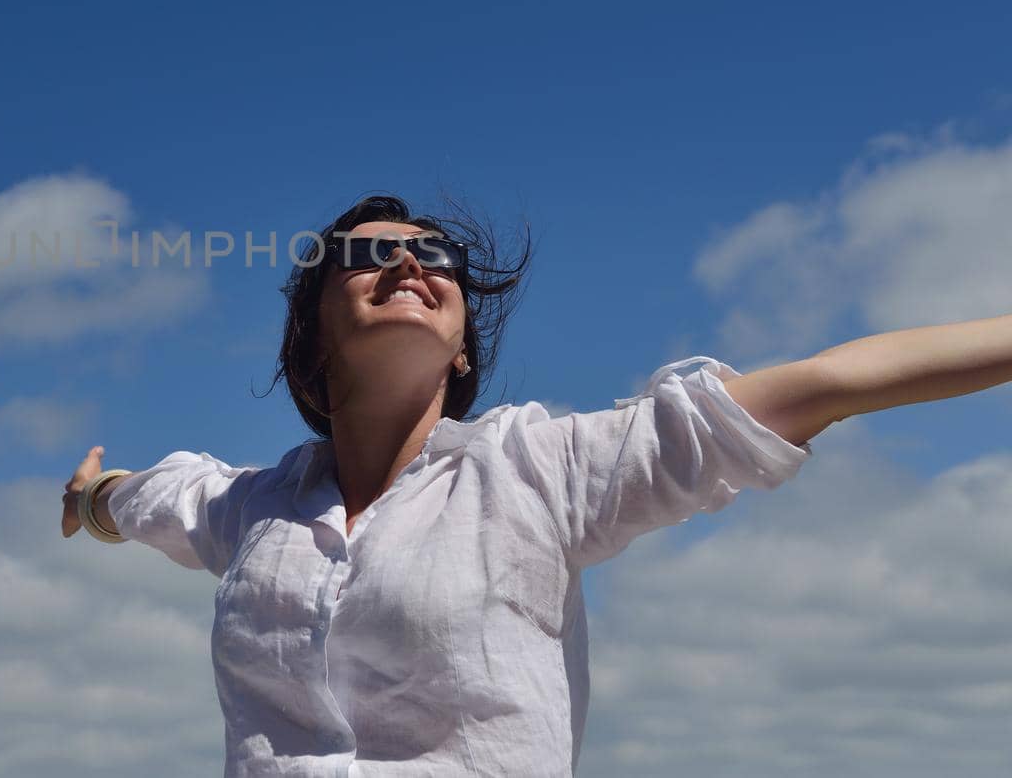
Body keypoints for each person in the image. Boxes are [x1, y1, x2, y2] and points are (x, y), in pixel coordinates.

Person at [58, 192, 1008, 776]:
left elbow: (829, 385)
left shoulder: (540, 469)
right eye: (364, 254)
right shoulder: (250, 509)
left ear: (464, 341)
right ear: (310, 337)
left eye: (436, 258)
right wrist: (94, 503)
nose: (405, 262)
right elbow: (149, 494)